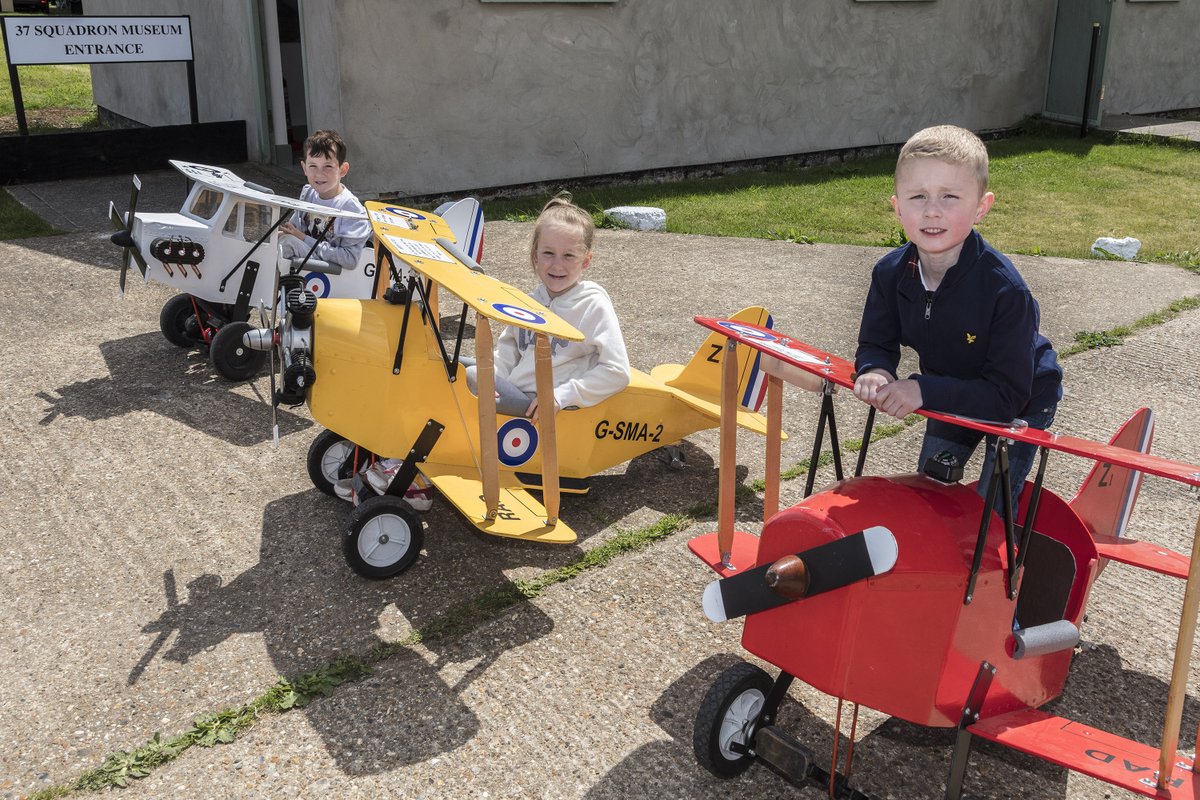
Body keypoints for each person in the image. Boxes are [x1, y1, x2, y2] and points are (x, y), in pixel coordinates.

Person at [853, 124, 1063, 514]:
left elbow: (1005, 397)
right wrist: (876, 370)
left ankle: (999, 564)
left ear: (981, 207)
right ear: (897, 205)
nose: (932, 210)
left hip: (1021, 397)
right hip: (949, 386)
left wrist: (921, 390)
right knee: (931, 493)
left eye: (950, 196)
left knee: (990, 512)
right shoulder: (890, 273)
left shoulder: (1006, 291)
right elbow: (876, 342)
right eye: (918, 196)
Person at [279, 129, 371, 272]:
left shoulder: (351, 208)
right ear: (304, 168)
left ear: (343, 169)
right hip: (307, 262)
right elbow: (292, 230)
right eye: (313, 166)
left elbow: (350, 259)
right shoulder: (308, 193)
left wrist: (304, 238)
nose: (319, 174)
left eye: (328, 166)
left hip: (331, 271)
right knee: (269, 243)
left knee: (286, 244)